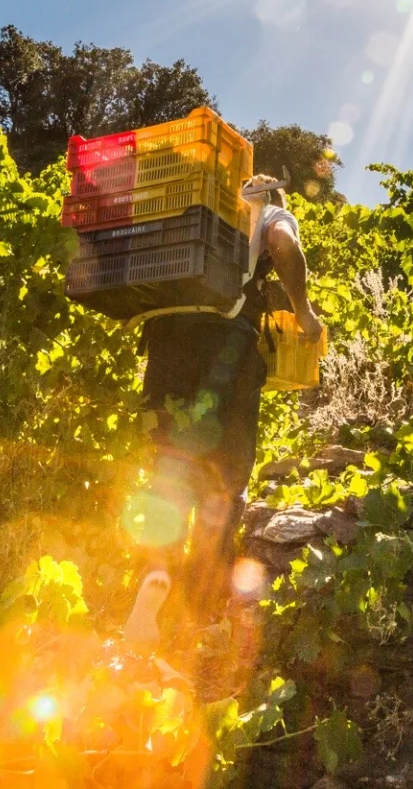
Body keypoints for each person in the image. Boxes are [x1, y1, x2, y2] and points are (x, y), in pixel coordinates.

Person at [135, 173, 324, 626]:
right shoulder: (268, 210)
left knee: (169, 462)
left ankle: (155, 574)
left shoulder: (193, 201)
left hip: (164, 337)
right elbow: (282, 245)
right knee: (226, 472)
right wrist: (304, 311)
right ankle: (201, 605)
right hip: (225, 345)